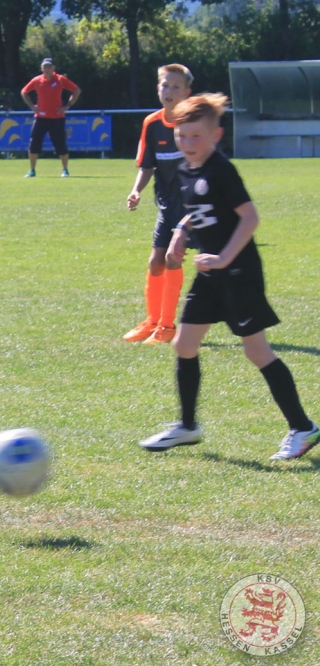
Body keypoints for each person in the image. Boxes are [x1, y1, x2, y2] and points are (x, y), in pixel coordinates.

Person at [140, 94, 319, 460]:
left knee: (256, 350)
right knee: (184, 345)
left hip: (238, 273)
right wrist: (180, 232)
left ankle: (303, 428)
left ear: (216, 135)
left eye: (196, 136)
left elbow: (249, 217)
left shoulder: (221, 170)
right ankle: (187, 426)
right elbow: (197, 210)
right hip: (210, 274)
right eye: (182, 136)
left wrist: (223, 257)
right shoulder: (186, 170)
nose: (188, 143)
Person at [123, 64, 194, 345]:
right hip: (166, 205)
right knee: (156, 262)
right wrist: (136, 190)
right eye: (165, 85)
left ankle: (167, 325)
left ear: (186, 93)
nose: (169, 91)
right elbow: (147, 165)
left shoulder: (193, 124)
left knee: (173, 259)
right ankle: (152, 321)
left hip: (192, 207)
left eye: (176, 86)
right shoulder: (152, 124)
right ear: (158, 88)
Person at [20, 58, 81, 178]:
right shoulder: (37, 80)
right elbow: (24, 92)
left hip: (57, 117)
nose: (47, 69)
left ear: (54, 68)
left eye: (49, 66)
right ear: (41, 68)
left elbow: (76, 90)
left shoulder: (60, 79)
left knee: (60, 144)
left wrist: (67, 106)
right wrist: (32, 106)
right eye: (45, 66)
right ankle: (32, 170)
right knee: (34, 143)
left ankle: (65, 170)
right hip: (40, 118)